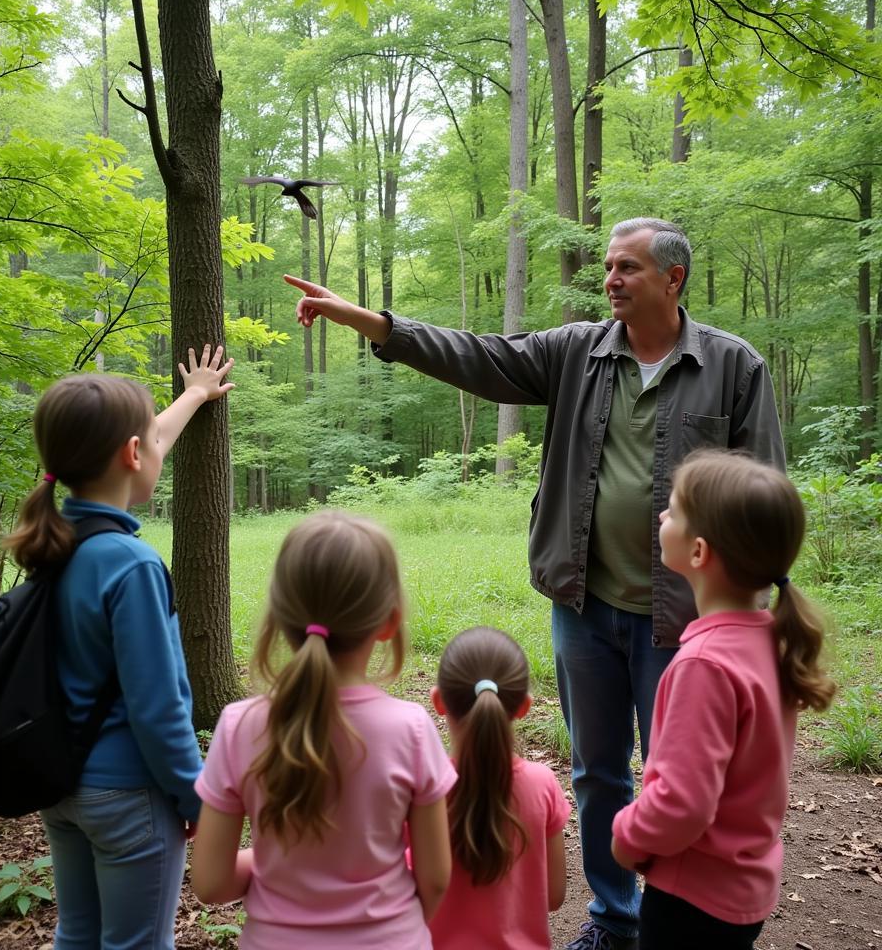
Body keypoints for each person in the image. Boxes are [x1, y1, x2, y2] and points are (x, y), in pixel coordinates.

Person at [284, 218, 786, 950]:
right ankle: (615, 921)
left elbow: (763, 490)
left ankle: (674, 919)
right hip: (583, 604)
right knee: (596, 771)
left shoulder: (734, 367)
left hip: (679, 620)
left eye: (629, 268)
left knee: (679, 777)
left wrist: (753, 609)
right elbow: (477, 357)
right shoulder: (578, 351)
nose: (611, 278)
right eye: (609, 266)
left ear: (673, 280)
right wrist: (368, 319)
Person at [5, 345, 235, 950]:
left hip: (64, 789)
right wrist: (197, 796)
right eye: (150, 442)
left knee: (76, 934)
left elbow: (139, 441)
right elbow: (158, 708)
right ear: (134, 454)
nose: (158, 446)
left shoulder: (56, 544)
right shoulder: (130, 564)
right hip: (130, 797)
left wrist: (194, 394)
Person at [190, 510, 456, 949]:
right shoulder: (412, 728)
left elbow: (212, 883)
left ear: (279, 616)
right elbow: (436, 878)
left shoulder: (240, 726)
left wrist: (276, 864)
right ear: (388, 623)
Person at [611, 449, 835, 950]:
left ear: (698, 553)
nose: (663, 515)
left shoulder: (703, 665)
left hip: (692, 897)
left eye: (672, 509)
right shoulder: (765, 639)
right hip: (743, 888)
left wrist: (627, 835)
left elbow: (683, 804)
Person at [429, 626, 570, 950]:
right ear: (523, 706)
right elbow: (554, 895)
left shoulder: (427, 790)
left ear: (439, 701)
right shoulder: (543, 784)